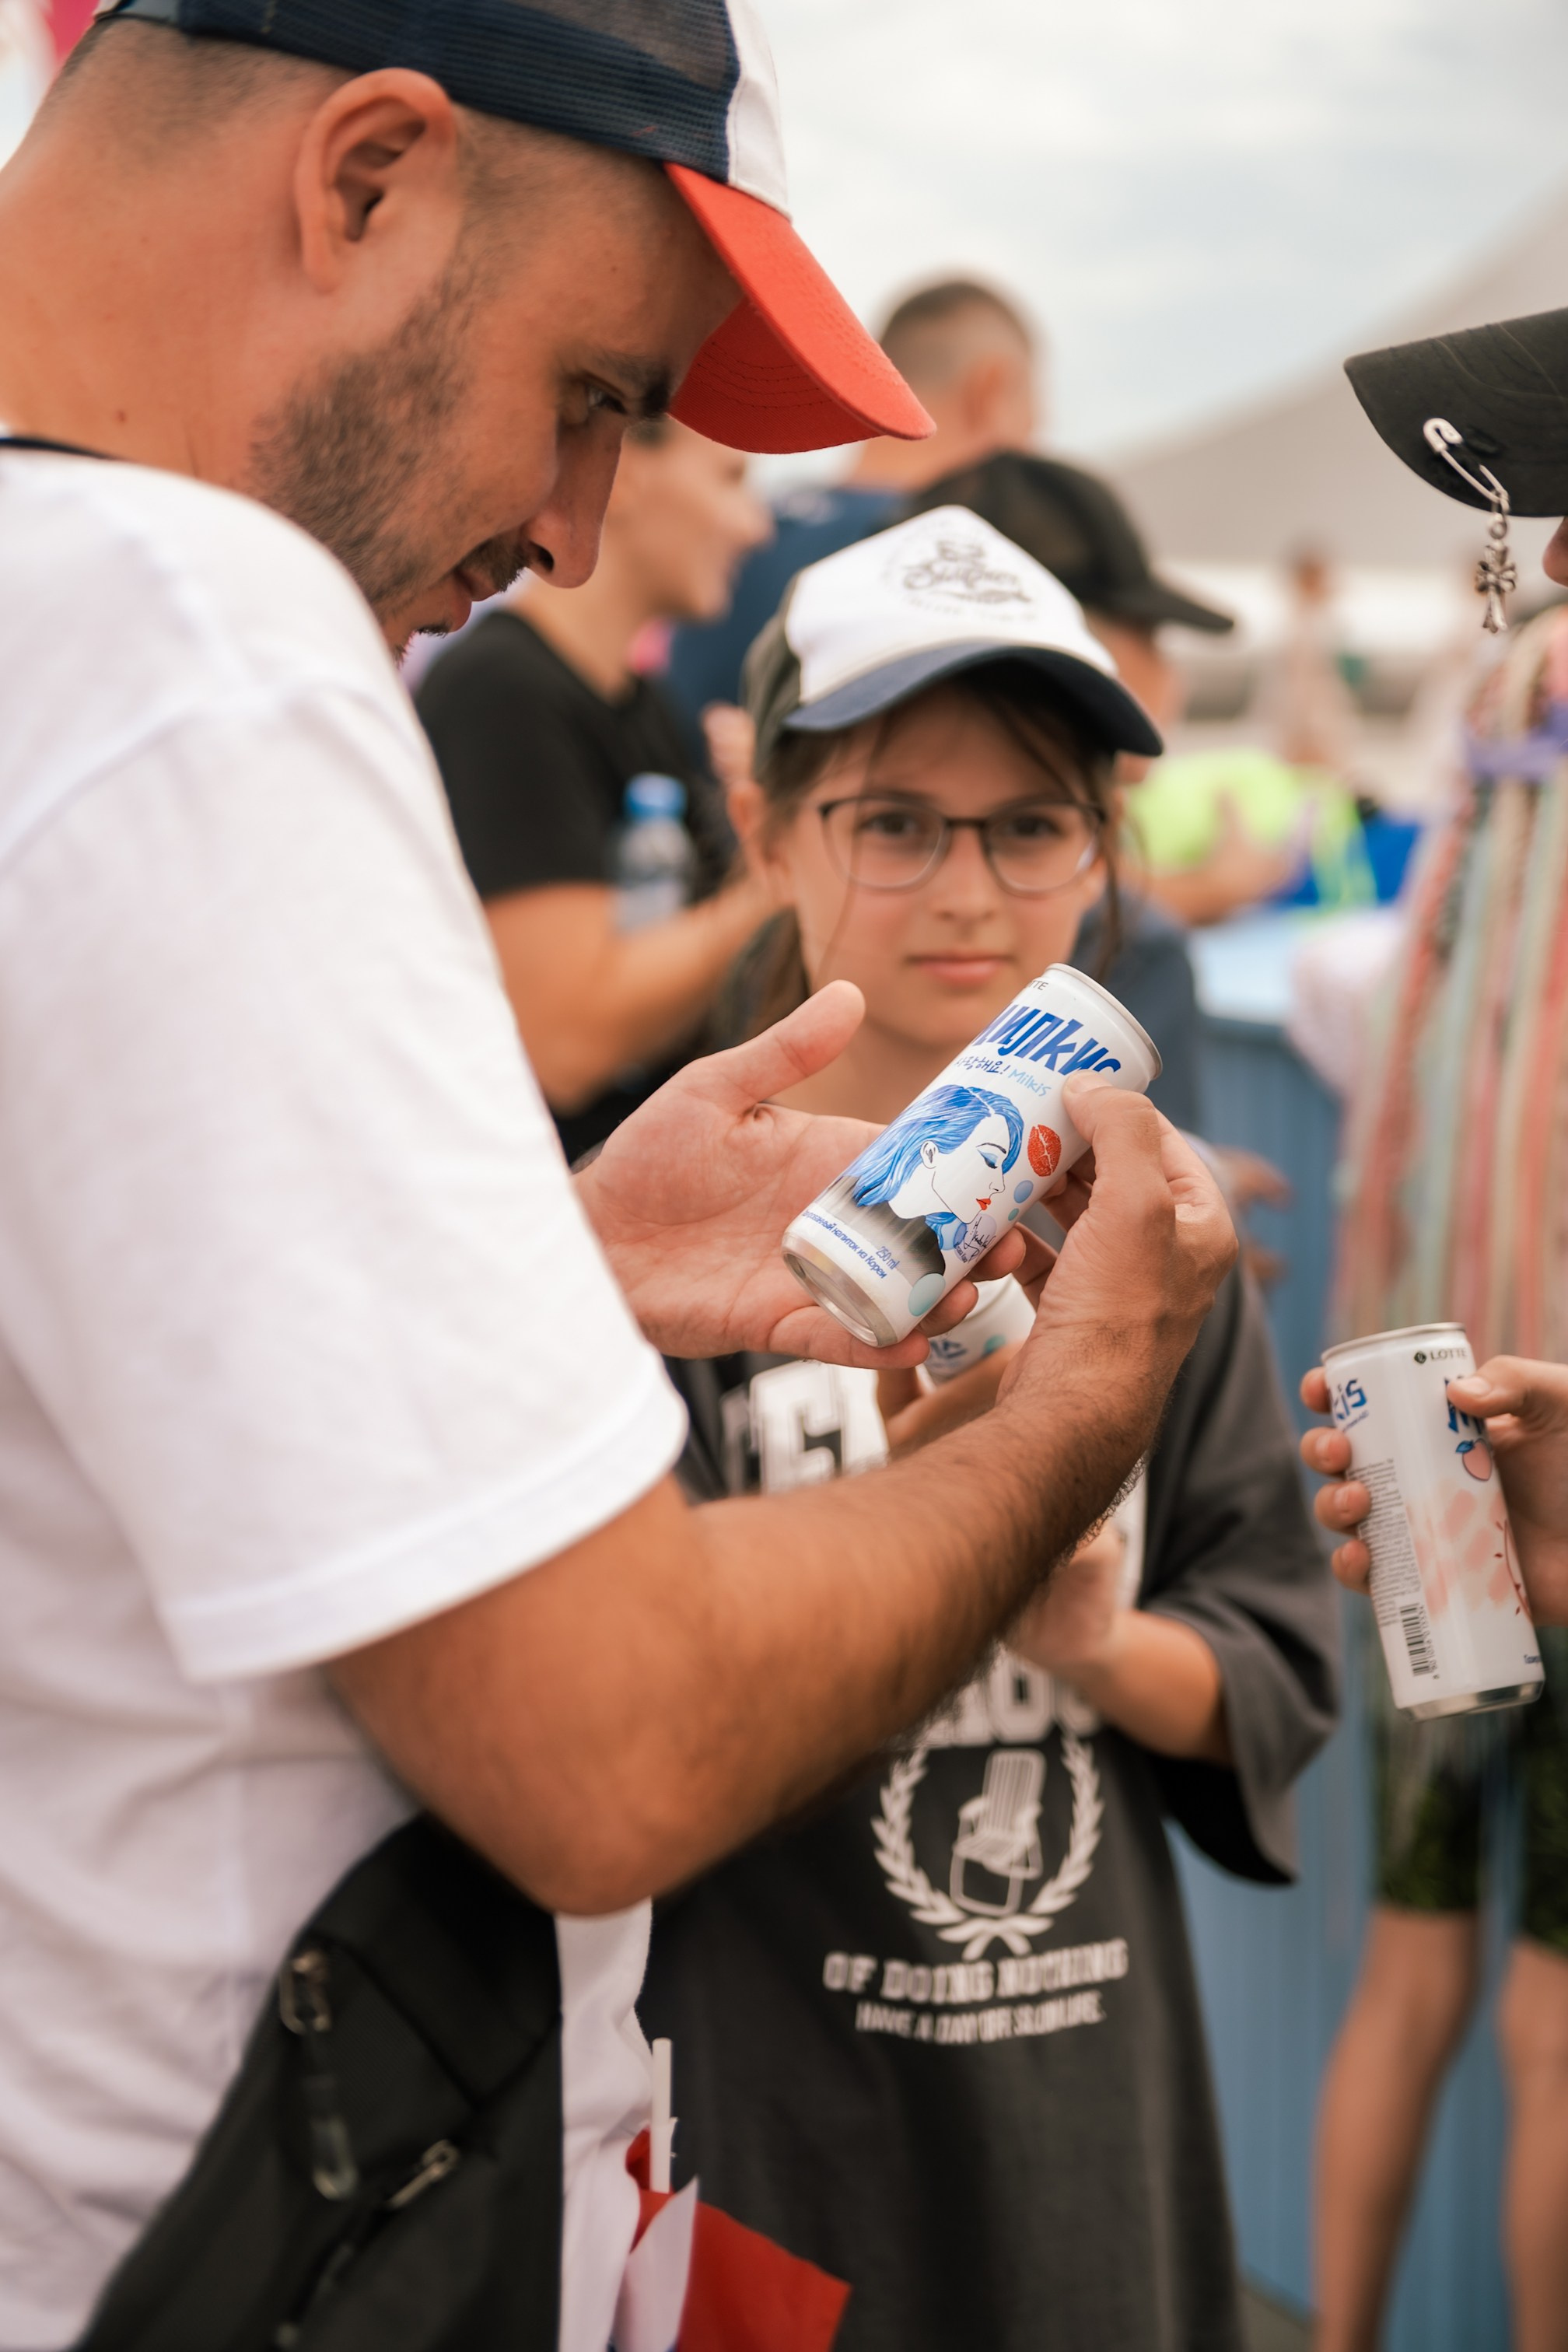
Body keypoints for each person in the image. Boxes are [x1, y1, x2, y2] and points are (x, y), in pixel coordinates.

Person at [0, 13, 1237, 2345]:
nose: (578, 523)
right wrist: (1082, 1404)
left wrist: (547, 1271)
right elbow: (614, 1745)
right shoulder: (197, 648)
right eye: (597, 388)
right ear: (365, 178)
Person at [639, 509, 1338, 2352]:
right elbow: (601, 1715)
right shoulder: (667, 1239)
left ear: (1102, 862)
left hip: (1083, 2152)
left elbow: (1272, 1666)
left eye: (1031, 825)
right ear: (769, 834)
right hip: (753, 2149)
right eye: (893, 822)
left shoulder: (1159, 1249)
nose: (968, 890)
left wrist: (1096, 1641)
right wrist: (911, 1546)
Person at [417, 415, 772, 1162]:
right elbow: (566, 1045)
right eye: (731, 478)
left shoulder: (642, 703)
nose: (755, 527)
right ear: (627, 471)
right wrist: (779, 879)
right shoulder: (505, 693)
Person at [664, 277, 1041, 726]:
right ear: (990, 393)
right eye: (1033, 422)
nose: (1035, 449)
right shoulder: (934, 559)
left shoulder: (751, 524)